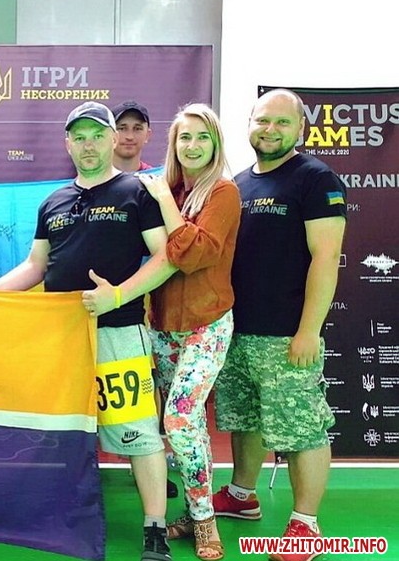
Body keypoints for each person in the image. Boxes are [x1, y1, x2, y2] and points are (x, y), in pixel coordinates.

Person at [0, 101, 177, 561]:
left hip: (118, 332)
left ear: (112, 139)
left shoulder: (136, 192)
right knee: (62, 431)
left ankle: (155, 528)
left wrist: (117, 296)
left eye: (97, 135)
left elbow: (167, 258)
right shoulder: (53, 202)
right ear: (67, 144)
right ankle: (57, 515)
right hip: (60, 340)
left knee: (137, 432)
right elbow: (35, 266)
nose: (88, 145)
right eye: (79, 137)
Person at [211, 89, 346, 561]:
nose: (270, 130)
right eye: (262, 120)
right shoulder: (238, 184)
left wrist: (308, 330)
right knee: (245, 419)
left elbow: (326, 257)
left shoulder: (315, 179)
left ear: (300, 130)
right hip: (236, 331)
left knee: (302, 428)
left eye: (282, 123)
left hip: (287, 335)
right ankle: (242, 495)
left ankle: (306, 525)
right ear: (249, 123)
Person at [139, 104, 241, 561]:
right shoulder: (168, 187)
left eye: (202, 137)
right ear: (173, 143)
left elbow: (194, 254)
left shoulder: (223, 192)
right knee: (188, 426)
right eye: (185, 137)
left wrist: (164, 200)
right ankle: (196, 508)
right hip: (163, 325)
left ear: (215, 143)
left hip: (207, 323)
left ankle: (204, 521)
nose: (193, 145)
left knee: (178, 421)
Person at [112, 99, 179, 500]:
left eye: (137, 128)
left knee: (147, 381)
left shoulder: (159, 184)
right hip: (98, 304)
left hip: (150, 301)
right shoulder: (84, 183)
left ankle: (153, 460)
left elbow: (172, 247)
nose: (129, 135)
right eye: (122, 127)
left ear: (149, 134)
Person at [112, 100, 154, 173]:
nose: (130, 137)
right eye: (122, 128)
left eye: (137, 129)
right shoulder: (94, 177)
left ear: (147, 135)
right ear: (110, 134)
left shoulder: (157, 178)